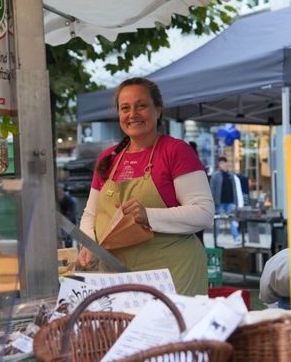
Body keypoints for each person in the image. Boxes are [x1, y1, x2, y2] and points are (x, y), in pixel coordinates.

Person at [77, 77, 214, 295]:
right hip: (118, 275)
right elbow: (90, 214)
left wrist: (148, 215)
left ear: (158, 110)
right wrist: (89, 244)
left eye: (141, 106)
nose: (133, 114)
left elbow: (204, 213)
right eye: (125, 108)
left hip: (173, 274)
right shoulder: (108, 158)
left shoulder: (176, 151)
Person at [209, 156, 242, 243]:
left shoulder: (231, 175)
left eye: (224, 163)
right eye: (221, 163)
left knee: (232, 220)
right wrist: (212, 203)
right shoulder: (215, 176)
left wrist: (236, 202)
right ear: (219, 165)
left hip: (230, 202)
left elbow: (235, 189)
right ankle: (215, 238)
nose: (223, 165)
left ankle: (236, 238)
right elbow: (212, 190)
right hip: (219, 202)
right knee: (218, 221)